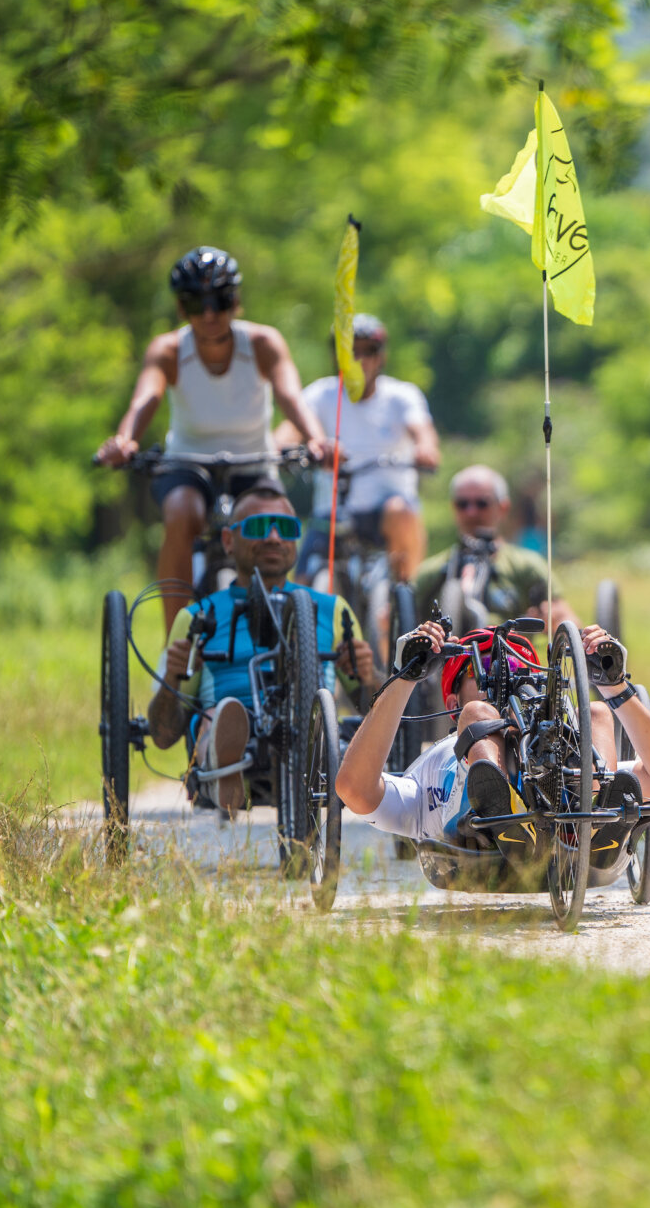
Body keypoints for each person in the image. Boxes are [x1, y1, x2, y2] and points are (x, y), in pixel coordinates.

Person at [96, 247, 334, 632]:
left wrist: (317, 439)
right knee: (182, 511)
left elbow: (290, 395)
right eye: (196, 303)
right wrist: (125, 440)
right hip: (187, 464)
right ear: (181, 308)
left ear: (236, 301)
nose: (208, 314)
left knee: (272, 524)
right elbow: (148, 396)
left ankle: (284, 634)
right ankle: (173, 643)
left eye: (219, 301)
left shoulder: (262, 343)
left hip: (253, 462)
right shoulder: (169, 350)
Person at [335, 620, 650, 862]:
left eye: (522, 667)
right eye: (486, 667)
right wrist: (406, 678)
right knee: (480, 715)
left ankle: (595, 814)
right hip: (464, 830)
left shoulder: (565, 747)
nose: (505, 675)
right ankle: (499, 811)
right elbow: (355, 790)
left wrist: (614, 686)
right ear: (451, 704)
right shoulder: (436, 762)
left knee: (598, 714)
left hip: (572, 809)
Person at [147, 485, 376, 815]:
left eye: (285, 528)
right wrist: (173, 676)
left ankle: (324, 755)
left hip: (311, 731)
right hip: (233, 726)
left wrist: (367, 677)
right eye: (257, 527)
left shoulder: (333, 609)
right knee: (221, 717)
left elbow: (370, 703)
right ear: (228, 541)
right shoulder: (196, 617)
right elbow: (164, 735)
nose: (272, 537)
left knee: (331, 728)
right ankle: (224, 763)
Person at [280, 313, 440, 587]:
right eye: (351, 351)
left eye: (370, 351)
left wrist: (426, 449)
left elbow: (423, 432)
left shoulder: (401, 396)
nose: (361, 359)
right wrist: (280, 450)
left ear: (382, 356)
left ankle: (406, 593)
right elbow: (286, 433)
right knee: (301, 590)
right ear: (336, 356)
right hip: (332, 512)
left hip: (385, 512)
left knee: (401, 511)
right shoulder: (320, 395)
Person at [413, 465, 577, 625]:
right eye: (462, 504)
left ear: (503, 508)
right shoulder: (430, 572)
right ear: (453, 508)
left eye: (482, 503)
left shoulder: (526, 566)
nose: (471, 512)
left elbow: (567, 620)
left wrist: (554, 619)